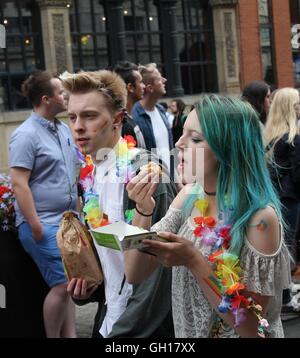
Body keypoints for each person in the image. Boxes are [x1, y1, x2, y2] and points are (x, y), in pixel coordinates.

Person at [125, 94, 291, 338]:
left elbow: (252, 327)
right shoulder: (188, 197)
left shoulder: (261, 220)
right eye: (182, 133)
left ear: (229, 149)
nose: (179, 144)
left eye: (195, 138)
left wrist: (194, 260)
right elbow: (134, 273)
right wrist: (143, 210)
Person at [60, 70, 177, 338]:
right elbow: (114, 259)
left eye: (89, 116)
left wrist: (122, 335)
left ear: (117, 119)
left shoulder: (144, 174)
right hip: (109, 319)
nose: (78, 126)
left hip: (143, 330)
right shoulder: (89, 175)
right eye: (72, 117)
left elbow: (156, 275)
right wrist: (90, 286)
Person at [9, 70, 78, 338]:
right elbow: (19, 183)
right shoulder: (25, 135)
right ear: (46, 99)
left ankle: (70, 336)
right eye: (62, 92)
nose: (67, 97)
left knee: (72, 285)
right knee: (63, 285)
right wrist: (36, 225)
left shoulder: (62, 129)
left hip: (69, 223)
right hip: (44, 225)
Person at [265, 88, 300, 306]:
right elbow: (298, 174)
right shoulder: (293, 137)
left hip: (274, 196)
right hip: (290, 197)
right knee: (287, 245)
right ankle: (285, 296)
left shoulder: (270, 135)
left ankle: (284, 291)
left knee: (279, 245)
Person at [132, 63, 174, 175]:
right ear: (150, 88)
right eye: (160, 79)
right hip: (153, 184)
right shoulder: (135, 115)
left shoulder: (161, 111)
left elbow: (169, 149)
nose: (165, 80)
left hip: (170, 181)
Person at [113, 61, 146, 148]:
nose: (144, 86)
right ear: (130, 87)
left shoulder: (128, 120)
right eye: (141, 82)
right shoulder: (123, 125)